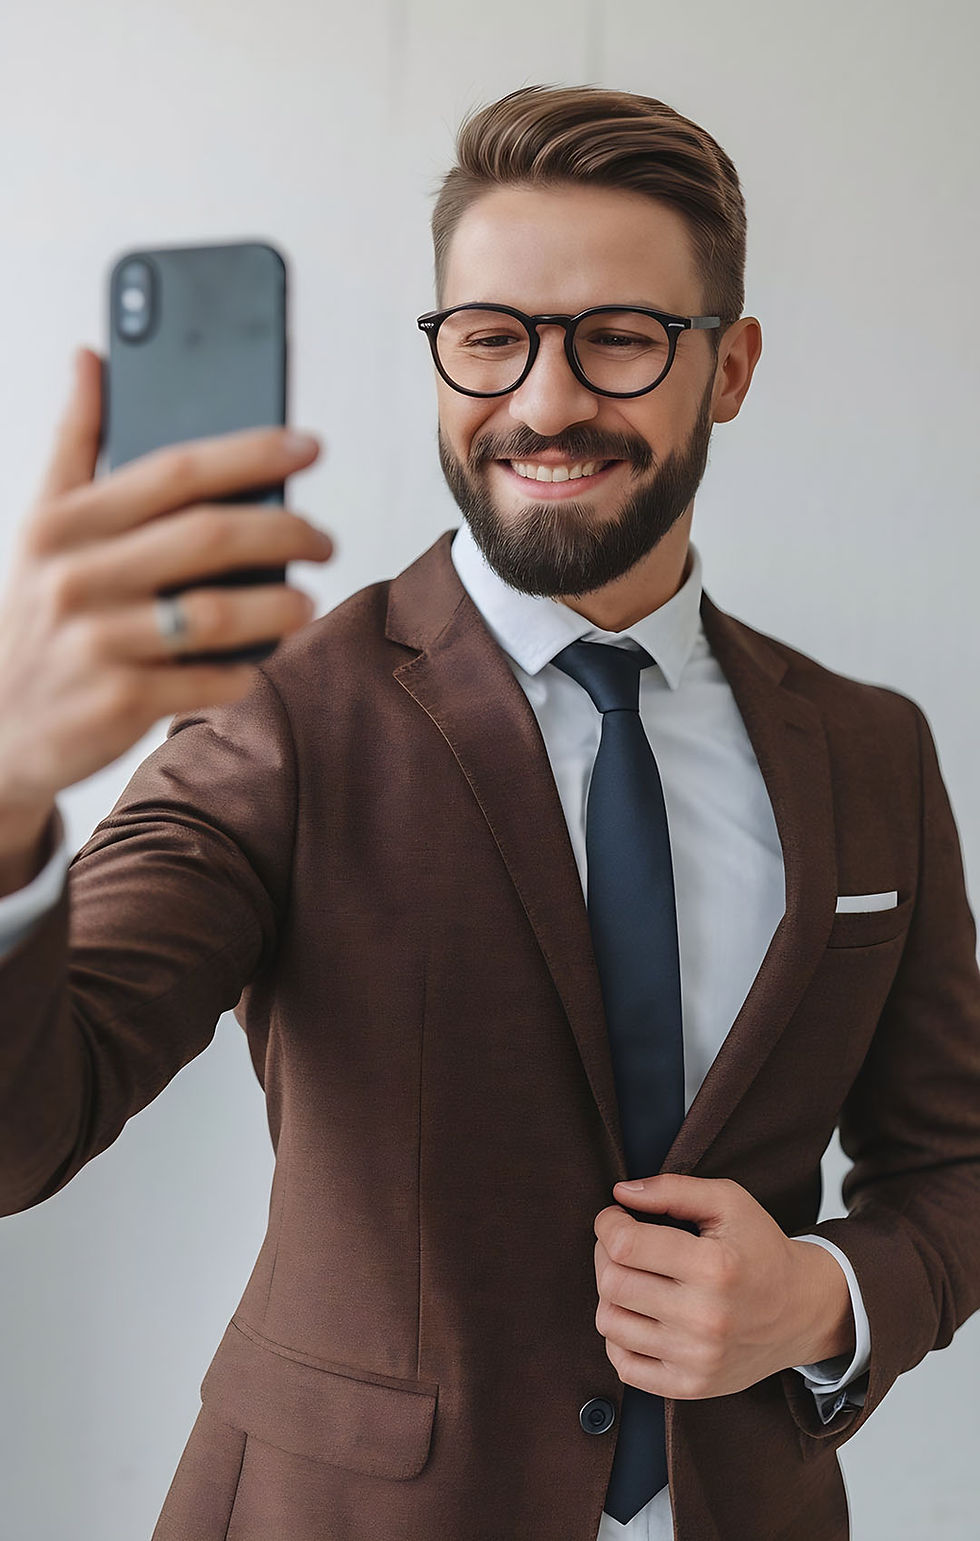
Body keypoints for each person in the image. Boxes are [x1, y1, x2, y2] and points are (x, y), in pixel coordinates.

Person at [0, 83, 978, 1541]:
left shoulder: (872, 748)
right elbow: (25, 1125)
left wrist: (819, 1298)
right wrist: (9, 790)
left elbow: (953, 1163)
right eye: (492, 335)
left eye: (621, 337)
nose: (544, 398)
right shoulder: (282, 711)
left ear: (731, 366)